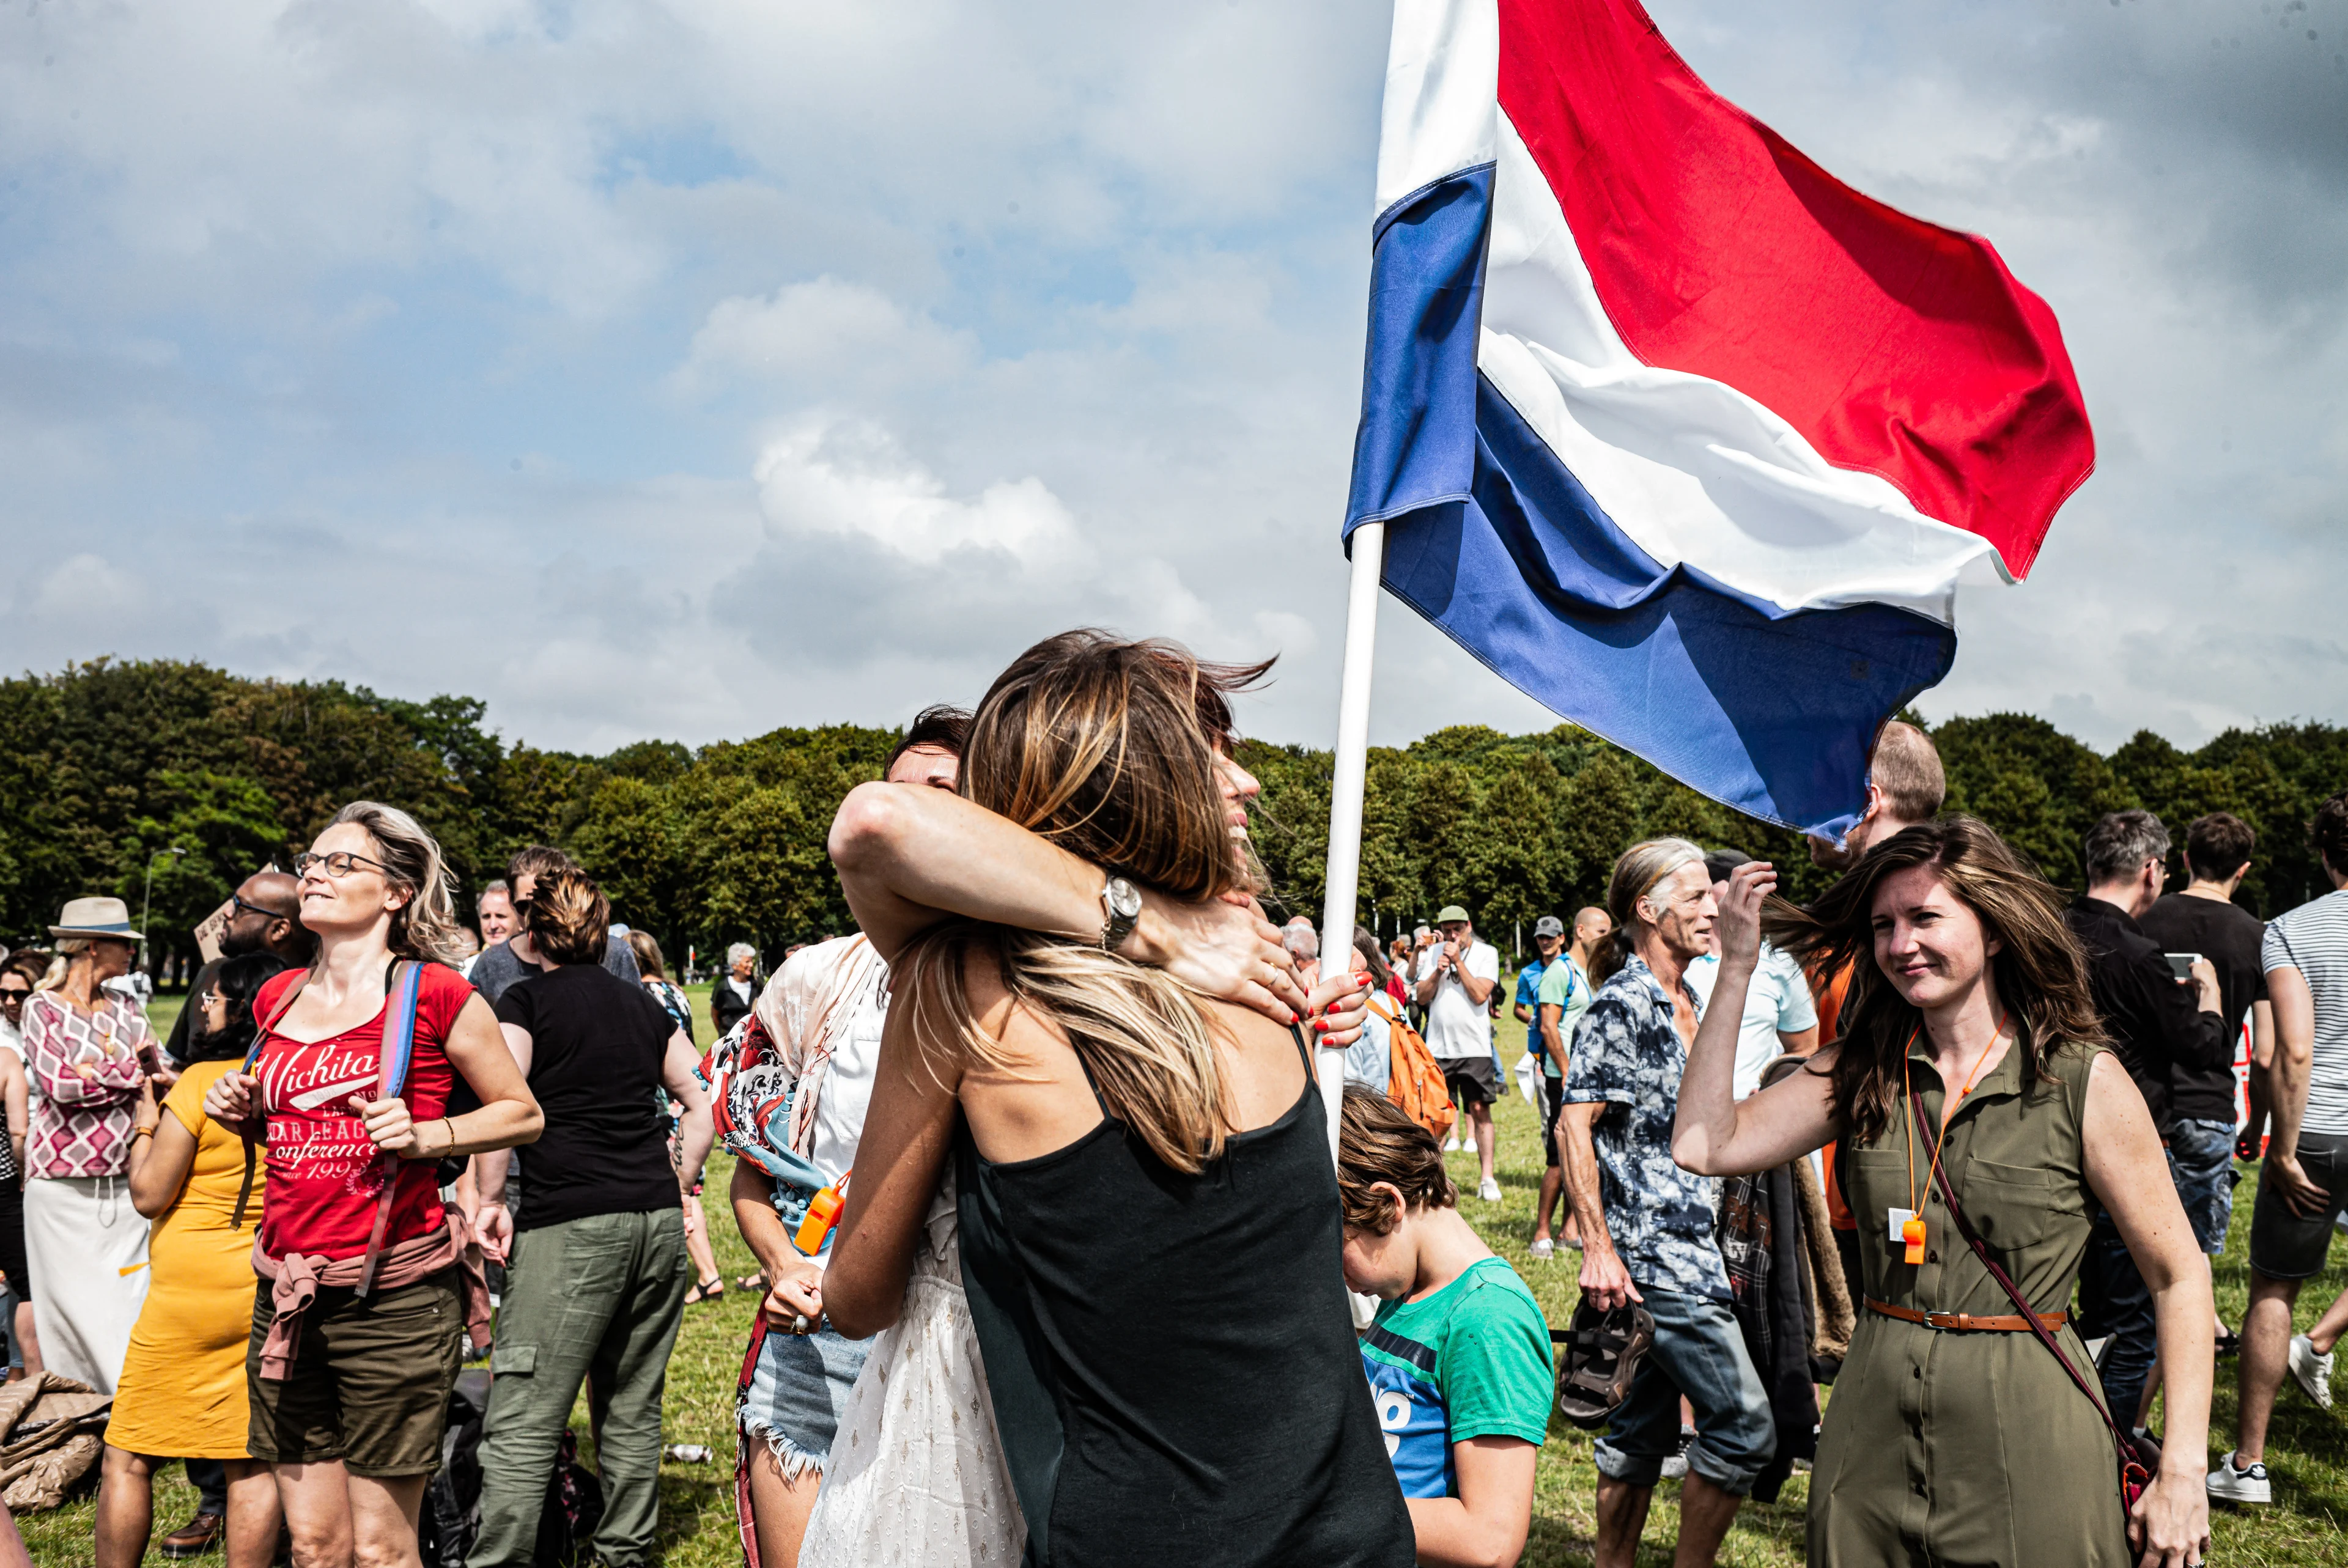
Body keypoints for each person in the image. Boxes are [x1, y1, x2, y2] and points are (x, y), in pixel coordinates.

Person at [821, 630, 1411, 1568]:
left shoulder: (974, 992)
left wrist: (1153, 925)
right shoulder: (1251, 968)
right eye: (1209, 752)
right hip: (1358, 1535)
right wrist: (1165, 928)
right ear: (1128, 783)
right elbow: (879, 824)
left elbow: (853, 1299)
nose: (1246, 781)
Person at [1672, 823, 2213, 1567]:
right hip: (1870, 1441)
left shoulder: (2080, 1079)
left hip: (2034, 1443)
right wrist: (1735, 968)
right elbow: (1703, 1144)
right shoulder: (1857, 1072)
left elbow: (2179, 1275)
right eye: (1884, 926)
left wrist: (2183, 1469)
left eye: (1925, 918)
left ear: (1993, 931)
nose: (1901, 945)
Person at [201, 801, 543, 1568]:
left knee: (383, 1550)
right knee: (319, 1548)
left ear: (395, 893)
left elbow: (522, 1114)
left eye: (340, 863)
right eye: (310, 862)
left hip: (393, 1298)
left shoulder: (434, 993)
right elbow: (291, 1135)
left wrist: (429, 1136)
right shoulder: (276, 997)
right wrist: (244, 1109)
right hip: (288, 1294)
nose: (314, 874)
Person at [467, 867, 714, 1568]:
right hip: (656, 1224)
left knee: (523, 1417)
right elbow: (702, 1104)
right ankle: (623, 1554)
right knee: (632, 1407)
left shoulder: (522, 1001)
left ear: (532, 934)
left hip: (569, 1228)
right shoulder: (645, 1007)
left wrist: (488, 1202)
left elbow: (505, 1110)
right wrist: (682, 1179)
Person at [1559, 841, 1774, 1568]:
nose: (1713, 908)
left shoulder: (1688, 998)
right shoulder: (1621, 1005)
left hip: (1691, 1248)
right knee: (1745, 1427)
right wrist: (1597, 1247)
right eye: (1695, 898)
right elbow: (1572, 1124)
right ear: (1647, 912)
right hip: (1656, 1261)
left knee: (1638, 1433)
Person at [98, 952, 295, 1568]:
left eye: (214, 997)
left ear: (243, 1004)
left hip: (188, 1289)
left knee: (128, 1455)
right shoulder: (292, 1080)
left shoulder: (203, 1082)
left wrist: (146, 1124)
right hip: (264, 1283)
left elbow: (149, 1194)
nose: (203, 1006)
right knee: (249, 1459)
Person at [2065, 810, 2228, 1445]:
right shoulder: (2139, 955)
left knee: (2064, 1311)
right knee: (2131, 1322)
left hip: (2049, 1141)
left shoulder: (2050, 934)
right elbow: (2198, 1049)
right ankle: (2111, 1448)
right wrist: (2207, 998)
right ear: (2153, 872)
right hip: (2127, 1153)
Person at [1339, 1086, 1549, 1567]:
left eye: (1340, 1244)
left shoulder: (1489, 1318)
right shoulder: (1405, 1288)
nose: (1337, 1272)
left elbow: (1490, 1539)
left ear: (1388, 1204)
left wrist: (1332, 1508)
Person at [2210, 790, 2348, 1504]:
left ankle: (2248, 1465)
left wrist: (2282, 1148)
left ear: (2325, 855)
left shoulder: (2291, 929)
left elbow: (2288, 1050)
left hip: (2319, 1130)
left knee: (2272, 1291)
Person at [2138, 812, 2272, 1363]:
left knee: (2134, 1245)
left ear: (2186, 859)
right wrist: (2256, 1126)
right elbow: (2264, 1051)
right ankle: (2197, 1337)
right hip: (2211, 1105)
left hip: (2144, 1102)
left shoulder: (2145, 919)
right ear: (2243, 869)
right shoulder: (2257, 935)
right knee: (2192, 1251)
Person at [21, 895, 167, 1394]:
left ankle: (130, 1401)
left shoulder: (128, 1006)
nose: (132, 954)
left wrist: (97, 1073)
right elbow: (60, 1085)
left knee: (126, 1297)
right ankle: (81, 1407)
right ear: (90, 946)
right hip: (59, 1190)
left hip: (124, 1179)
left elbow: (162, 1071)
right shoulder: (41, 1008)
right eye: (123, 944)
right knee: (68, 1306)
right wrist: (131, 1076)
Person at [1686, 851, 1820, 1097]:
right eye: (1734, 880)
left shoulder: (1778, 962)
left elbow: (1805, 1047)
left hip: (1751, 1117)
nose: (1746, 889)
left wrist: (1770, 1084)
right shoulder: (1683, 959)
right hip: (1683, 1116)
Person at [164, 872, 312, 1069]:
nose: (227, 912)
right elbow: (181, 1064)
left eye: (240, 907)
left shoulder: (312, 991)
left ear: (279, 930)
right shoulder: (212, 974)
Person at [465, 847, 640, 1006]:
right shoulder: (490, 965)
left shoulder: (613, 954)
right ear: (511, 902)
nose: (535, 915)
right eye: (525, 906)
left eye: (545, 904)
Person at [1530, 908, 1609, 1257]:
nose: (1608, 936)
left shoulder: (1592, 973)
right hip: (1562, 1076)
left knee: (1582, 1153)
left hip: (1590, 1078)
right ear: (1581, 931)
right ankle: (1541, 1234)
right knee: (1558, 1160)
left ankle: (1568, 1231)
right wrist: (1565, 1071)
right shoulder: (1559, 972)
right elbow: (1549, 1026)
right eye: (1602, 930)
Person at [1416, 904, 1502, 1198]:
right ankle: (1433, 1182)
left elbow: (1480, 996)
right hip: (1438, 1046)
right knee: (1438, 1117)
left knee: (1479, 1110)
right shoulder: (1433, 953)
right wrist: (1438, 972)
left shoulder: (1486, 953)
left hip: (1474, 1046)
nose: (1452, 936)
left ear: (1468, 926)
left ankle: (1487, 1179)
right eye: (1447, 930)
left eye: (1458, 929)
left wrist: (1458, 963)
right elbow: (1421, 996)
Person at [1344, 929, 1395, 1097]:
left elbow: (1350, 1084)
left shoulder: (1352, 1008)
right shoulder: (1391, 1003)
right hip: (1398, 1108)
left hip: (1368, 1113)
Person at [713, 943, 759, 1037]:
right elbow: (715, 1015)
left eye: (751, 961)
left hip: (752, 1041)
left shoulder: (757, 985)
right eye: (747, 962)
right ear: (735, 966)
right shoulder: (723, 987)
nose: (751, 965)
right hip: (729, 1041)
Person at [476, 879, 517, 952]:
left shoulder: (540, 961)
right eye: (486, 917)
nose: (493, 926)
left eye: (500, 916)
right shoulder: (469, 963)